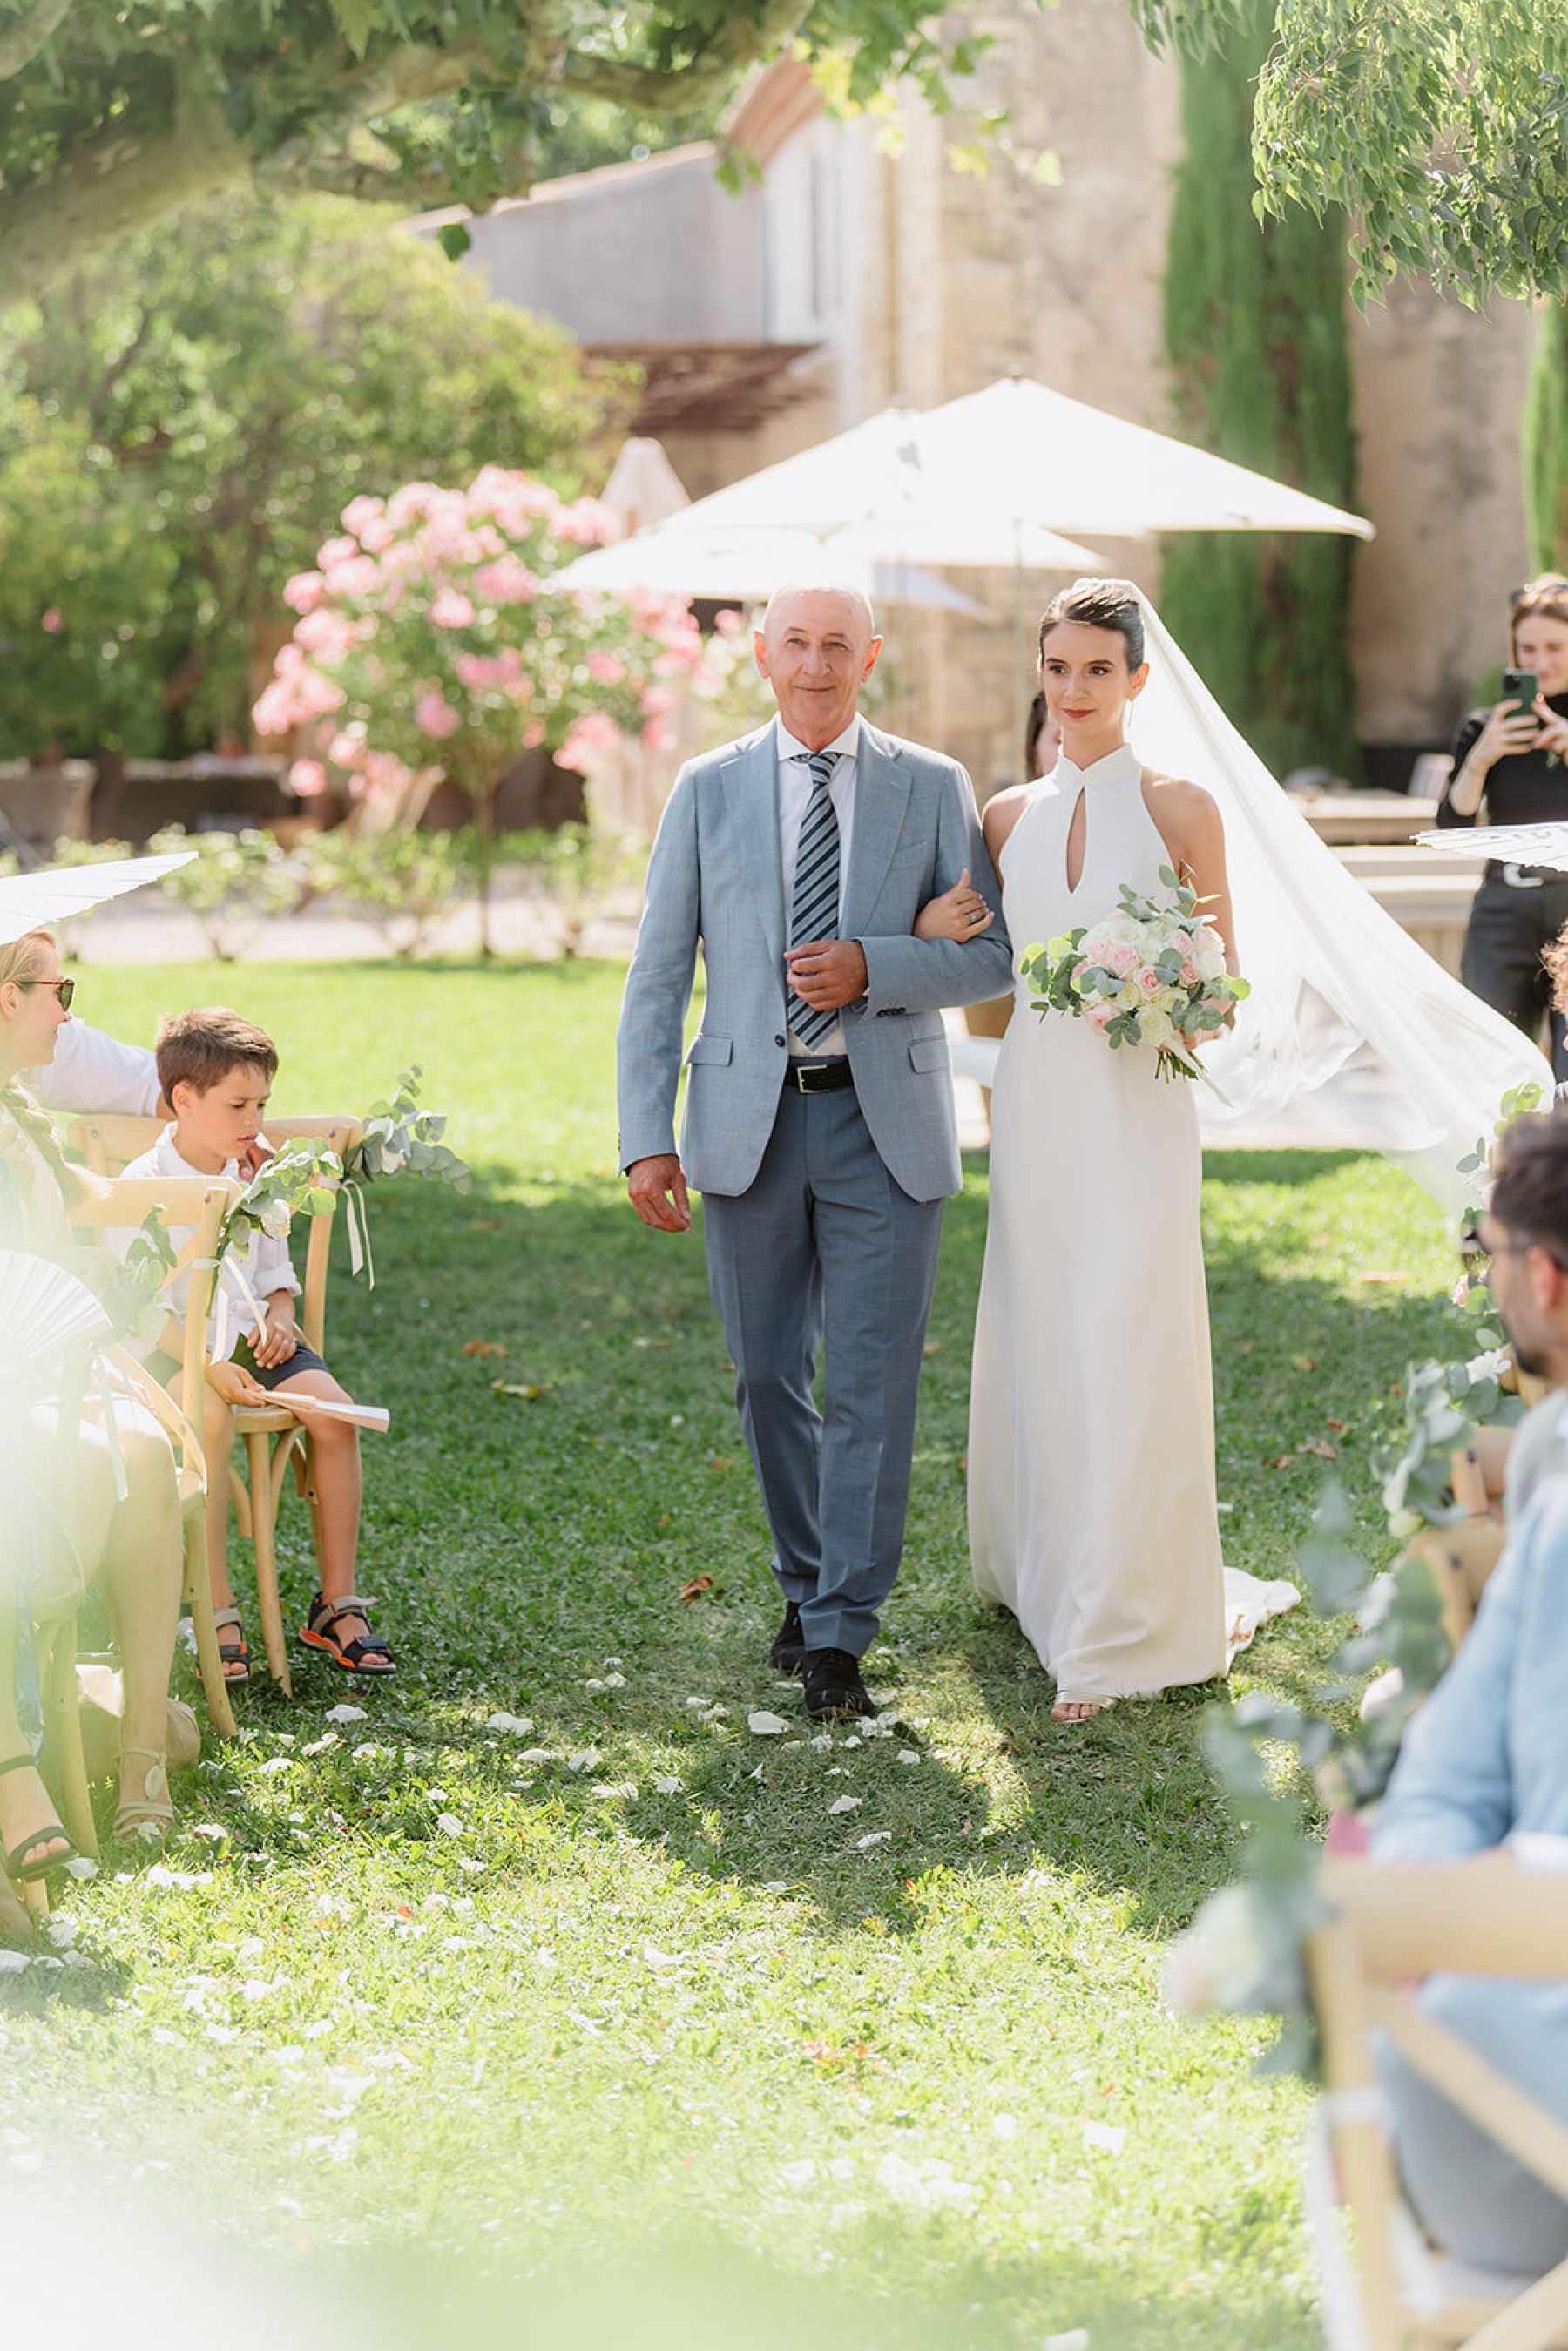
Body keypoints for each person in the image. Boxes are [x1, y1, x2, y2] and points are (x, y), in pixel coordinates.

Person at [617, 582, 1013, 1721]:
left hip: (882, 1118)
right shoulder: (706, 789)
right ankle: (805, 1576)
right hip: (745, 1123)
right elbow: (656, 976)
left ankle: (840, 1627)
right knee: (765, 1376)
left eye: (839, 644)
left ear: (871, 655)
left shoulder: (934, 787)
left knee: (873, 1386)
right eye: (797, 642)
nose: (817, 663)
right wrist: (647, 1136)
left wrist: (875, 965)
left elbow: (992, 961)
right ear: (761, 655)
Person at [942, 579, 1297, 1720]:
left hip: (1139, 1109)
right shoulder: (1002, 817)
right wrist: (935, 931)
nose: (1075, 689)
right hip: (1037, 1109)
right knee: (1045, 1327)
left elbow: (1222, 986)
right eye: (1058, 667)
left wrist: (1155, 986)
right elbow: (983, 973)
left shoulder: (1183, 806)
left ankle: (1118, 1615)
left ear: (1139, 680)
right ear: (1039, 675)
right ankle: (1038, 1572)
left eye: (1100, 669)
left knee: (1125, 1331)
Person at [123, 1008, 394, 1683]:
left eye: (262, 1103)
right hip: (174, 1349)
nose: (254, 1119)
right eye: (238, 1103)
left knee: (334, 1412)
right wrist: (205, 1366)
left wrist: (278, 1313)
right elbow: (135, 1306)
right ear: (184, 1098)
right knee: (208, 1420)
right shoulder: (143, 1184)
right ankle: (211, 1604)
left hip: (253, 1344)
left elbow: (276, 1277)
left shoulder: (258, 1173)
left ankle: (336, 1602)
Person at [0, 929, 186, 1848]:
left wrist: (215, 1188)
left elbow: (82, 1201)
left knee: (148, 1447)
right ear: (8, 997)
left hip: (56, 1365)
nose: (66, 1009)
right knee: (140, 1449)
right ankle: (109, 1720)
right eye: (55, 987)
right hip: (17, 1380)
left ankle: (141, 1747)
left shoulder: (21, 1112)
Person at [1369, 1469, 1568, 2276]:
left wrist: (1526, 1880)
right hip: (1505, 2124)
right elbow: (1441, 1790)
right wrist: (1449, 1905)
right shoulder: (1560, 1522)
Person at [1436, 572, 1568, 1081]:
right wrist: (1481, 757)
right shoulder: (1484, 727)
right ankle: (1504, 1165)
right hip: (1504, 909)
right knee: (1492, 1071)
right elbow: (1453, 825)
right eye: (1528, 649)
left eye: (1555, 647)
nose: (1540, 662)